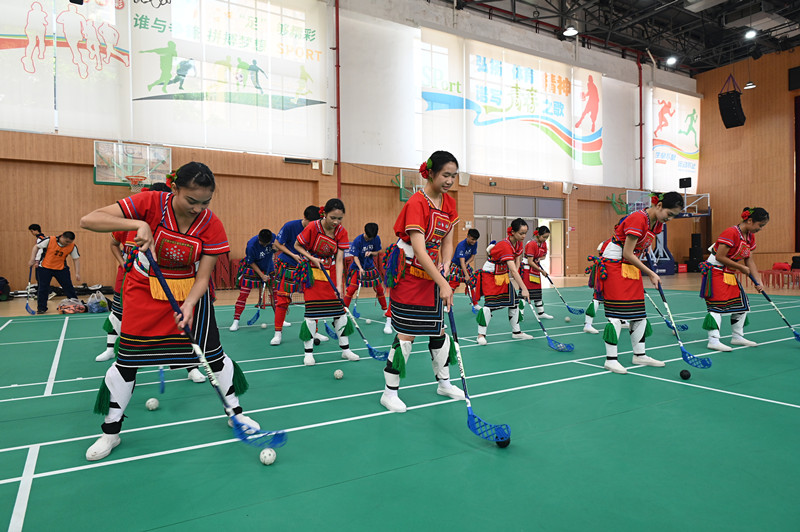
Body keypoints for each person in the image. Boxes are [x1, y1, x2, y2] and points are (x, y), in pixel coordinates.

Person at [79, 162, 258, 461]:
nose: (198, 209)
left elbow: (204, 277)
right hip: (143, 291)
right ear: (174, 188)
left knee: (213, 356)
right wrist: (138, 225)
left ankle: (236, 414)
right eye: (192, 200)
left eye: (205, 202)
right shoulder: (150, 202)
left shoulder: (211, 224)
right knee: (128, 362)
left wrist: (189, 304)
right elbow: (89, 220)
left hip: (190, 294)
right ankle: (110, 432)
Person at [380, 151, 467, 413]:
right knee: (406, 333)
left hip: (432, 272)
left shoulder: (449, 202)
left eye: (454, 176)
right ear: (430, 173)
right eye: (445, 175)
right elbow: (418, 249)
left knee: (437, 330)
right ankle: (389, 393)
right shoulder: (417, 203)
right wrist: (443, 283)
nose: (450, 180)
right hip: (409, 273)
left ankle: (444, 383)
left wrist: (446, 266)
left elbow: (447, 241)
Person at [589, 192, 684, 374]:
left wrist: (648, 265)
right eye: (669, 214)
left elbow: (640, 248)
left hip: (630, 265)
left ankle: (639, 355)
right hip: (615, 263)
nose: (670, 219)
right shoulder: (638, 219)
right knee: (616, 315)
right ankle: (611, 360)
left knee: (638, 313)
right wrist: (650, 273)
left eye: (673, 216)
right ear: (659, 206)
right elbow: (627, 253)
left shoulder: (656, 224)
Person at [295, 199, 359, 366]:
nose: (336, 222)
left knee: (340, 313)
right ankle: (308, 353)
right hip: (312, 273)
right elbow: (297, 245)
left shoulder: (341, 232)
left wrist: (338, 285)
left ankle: (346, 350)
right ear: (324, 214)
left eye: (340, 218)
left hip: (330, 271)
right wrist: (312, 258)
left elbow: (340, 260)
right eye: (333, 218)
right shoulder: (313, 227)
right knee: (311, 315)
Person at [700, 207, 768, 351]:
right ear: (750, 220)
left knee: (742, 304)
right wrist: (740, 267)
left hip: (729, 272)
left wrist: (758, 281)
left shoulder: (750, 236)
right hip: (715, 271)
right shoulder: (731, 233)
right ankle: (713, 340)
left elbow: (749, 260)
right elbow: (720, 257)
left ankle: (737, 337)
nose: (760, 229)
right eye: (760, 225)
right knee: (716, 306)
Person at [470, 219, 532, 346]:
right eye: (521, 233)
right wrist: (524, 288)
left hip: (502, 275)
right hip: (491, 275)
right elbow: (513, 270)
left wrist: (517, 277)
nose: (524, 236)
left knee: (514, 302)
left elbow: (517, 263)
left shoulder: (518, 243)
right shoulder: (505, 246)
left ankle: (516, 332)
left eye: (525, 233)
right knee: (490, 306)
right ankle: (481, 335)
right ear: (512, 232)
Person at [270, 206, 322, 345]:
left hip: (307, 268)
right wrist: (293, 255)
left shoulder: (317, 230)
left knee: (313, 301)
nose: (312, 226)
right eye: (311, 223)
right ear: (305, 218)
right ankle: (277, 334)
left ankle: (314, 331)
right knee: (282, 300)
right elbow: (277, 243)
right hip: (288, 264)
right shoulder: (290, 226)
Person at [343, 223, 391, 333]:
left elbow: (377, 252)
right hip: (357, 267)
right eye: (369, 237)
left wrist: (371, 252)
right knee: (351, 290)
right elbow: (355, 257)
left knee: (379, 289)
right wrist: (360, 268)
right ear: (365, 232)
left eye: (372, 238)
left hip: (370, 267)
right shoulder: (358, 241)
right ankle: (344, 312)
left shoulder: (376, 238)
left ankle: (385, 310)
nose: (370, 239)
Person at [230, 229, 275, 332]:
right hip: (252, 268)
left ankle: (280, 320)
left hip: (268, 267)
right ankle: (236, 321)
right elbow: (251, 262)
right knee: (243, 294)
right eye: (263, 244)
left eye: (267, 244)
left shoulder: (273, 237)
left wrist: (276, 248)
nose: (265, 245)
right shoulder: (251, 245)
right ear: (258, 238)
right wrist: (262, 275)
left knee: (275, 294)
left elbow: (279, 245)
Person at [34, 232, 81, 314]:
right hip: (45, 268)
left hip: (61, 268)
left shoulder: (72, 246)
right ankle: (41, 308)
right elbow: (36, 247)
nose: (68, 244)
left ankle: (75, 305)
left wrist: (77, 273)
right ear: (62, 237)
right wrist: (33, 259)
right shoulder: (50, 240)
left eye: (70, 242)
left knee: (68, 287)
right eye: (66, 241)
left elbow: (76, 259)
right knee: (43, 288)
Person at [521, 225, 553, 320]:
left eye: (547, 237)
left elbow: (543, 256)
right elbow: (530, 261)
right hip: (527, 270)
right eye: (544, 237)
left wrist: (539, 258)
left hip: (535, 270)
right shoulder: (531, 244)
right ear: (538, 235)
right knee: (525, 292)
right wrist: (542, 271)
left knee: (537, 292)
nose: (545, 239)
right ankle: (519, 314)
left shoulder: (543, 244)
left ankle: (541, 313)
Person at [447, 228, 480, 311]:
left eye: (475, 240)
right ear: (467, 236)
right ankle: (448, 304)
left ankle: (475, 304)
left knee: (471, 284)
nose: (474, 241)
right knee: (452, 285)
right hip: (456, 265)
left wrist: (467, 262)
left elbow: (472, 257)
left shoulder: (474, 243)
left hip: (465, 264)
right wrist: (466, 275)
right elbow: (461, 262)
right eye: (472, 239)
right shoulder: (461, 245)